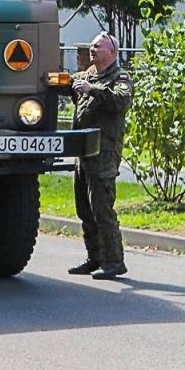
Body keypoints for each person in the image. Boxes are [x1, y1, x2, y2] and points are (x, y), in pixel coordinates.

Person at [67, 33, 133, 280]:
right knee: (84, 208)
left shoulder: (120, 77)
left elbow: (121, 101)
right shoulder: (86, 75)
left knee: (102, 208)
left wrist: (92, 90)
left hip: (103, 152)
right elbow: (66, 84)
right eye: (92, 46)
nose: (92, 50)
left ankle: (114, 261)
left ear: (112, 52)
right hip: (82, 152)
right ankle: (94, 257)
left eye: (98, 46)